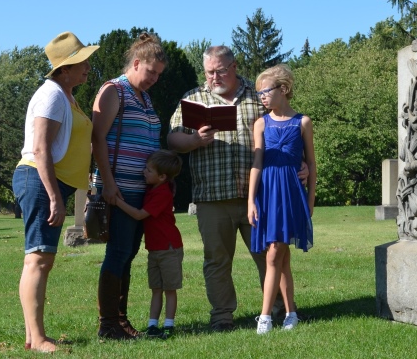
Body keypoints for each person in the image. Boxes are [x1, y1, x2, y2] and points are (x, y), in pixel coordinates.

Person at [167, 45, 307, 332]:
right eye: (208, 72)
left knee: (271, 254)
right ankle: (222, 317)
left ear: (233, 67)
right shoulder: (193, 98)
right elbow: (172, 140)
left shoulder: (259, 95)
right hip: (212, 195)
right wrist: (195, 141)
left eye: (219, 71)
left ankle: (280, 311)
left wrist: (300, 163)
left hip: (258, 195)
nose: (214, 77)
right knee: (217, 261)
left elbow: (286, 128)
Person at [13, 31, 99, 353]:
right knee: (38, 259)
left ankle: (32, 336)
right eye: (82, 62)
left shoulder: (66, 95)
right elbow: (40, 149)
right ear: (64, 69)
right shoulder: (51, 95)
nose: (88, 67)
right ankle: (38, 338)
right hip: (39, 180)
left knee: (40, 260)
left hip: (49, 181)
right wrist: (54, 197)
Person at [91, 33, 167, 339]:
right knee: (119, 251)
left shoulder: (144, 97)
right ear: (136, 63)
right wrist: (108, 184)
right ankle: (108, 324)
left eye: (159, 75)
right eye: (151, 72)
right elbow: (97, 139)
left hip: (140, 190)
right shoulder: (114, 91)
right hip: (118, 188)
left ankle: (119, 321)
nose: (154, 79)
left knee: (128, 252)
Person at [247, 64, 316, 334]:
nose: (262, 97)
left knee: (276, 253)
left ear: (283, 90)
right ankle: (291, 313)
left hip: (291, 194)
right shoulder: (261, 123)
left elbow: (311, 162)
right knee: (280, 257)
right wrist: (251, 200)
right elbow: (257, 162)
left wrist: (310, 199)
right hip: (268, 192)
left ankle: (264, 317)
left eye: (266, 91)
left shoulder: (303, 122)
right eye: (259, 93)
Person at [109, 149, 184, 340]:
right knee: (156, 289)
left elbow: (139, 214)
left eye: (148, 170)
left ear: (162, 177)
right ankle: (152, 325)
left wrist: (117, 201)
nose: (144, 172)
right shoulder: (152, 188)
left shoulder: (162, 193)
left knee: (170, 289)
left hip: (169, 248)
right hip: (154, 249)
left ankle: (169, 325)